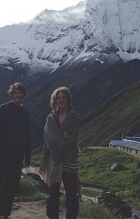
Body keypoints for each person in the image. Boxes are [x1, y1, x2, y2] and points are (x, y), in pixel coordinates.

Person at [39, 86, 81, 219]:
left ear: (68, 99)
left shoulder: (74, 117)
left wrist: (58, 139)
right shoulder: (50, 118)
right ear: (54, 100)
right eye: (58, 98)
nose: (61, 100)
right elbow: (47, 140)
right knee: (53, 194)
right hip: (53, 160)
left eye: (63, 97)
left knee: (71, 194)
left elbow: (72, 139)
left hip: (69, 159)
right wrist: (63, 137)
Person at [0, 82, 31, 219]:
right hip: (3, 156)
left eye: (20, 93)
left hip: (17, 157)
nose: (18, 95)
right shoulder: (4, 109)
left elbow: (27, 135)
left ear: (23, 95)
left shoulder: (25, 112)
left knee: (13, 188)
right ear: (11, 95)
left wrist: (28, 157)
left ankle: (5, 215)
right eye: (16, 93)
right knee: (2, 188)